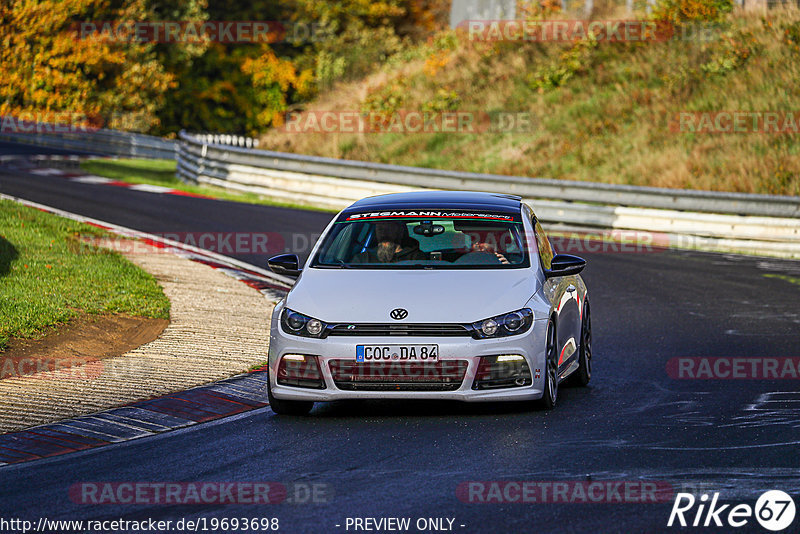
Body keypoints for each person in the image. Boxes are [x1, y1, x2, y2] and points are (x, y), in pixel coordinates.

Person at [351, 221, 426, 264]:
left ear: (400, 232)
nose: (383, 233)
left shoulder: (418, 260)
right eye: (380, 228)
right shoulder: (363, 260)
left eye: (389, 228)